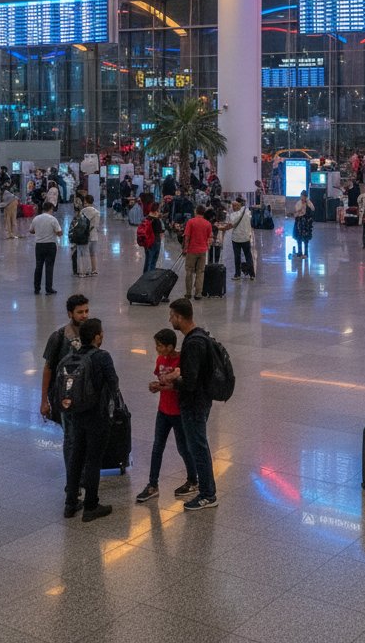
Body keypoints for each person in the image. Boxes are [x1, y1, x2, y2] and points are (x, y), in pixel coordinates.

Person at [63, 318, 120, 522]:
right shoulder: (102, 357)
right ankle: (91, 505)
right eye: (101, 332)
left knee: (76, 456)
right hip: (97, 415)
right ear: (97, 336)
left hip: (77, 414)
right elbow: (113, 383)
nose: (103, 335)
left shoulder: (73, 355)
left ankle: (70, 504)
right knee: (93, 459)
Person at [165, 298, 218, 511]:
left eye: (171, 316)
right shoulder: (199, 336)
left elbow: (191, 382)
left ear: (179, 317)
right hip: (200, 401)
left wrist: (174, 380)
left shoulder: (193, 342)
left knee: (198, 447)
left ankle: (208, 494)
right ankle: (206, 490)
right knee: (198, 446)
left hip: (195, 404)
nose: (170, 320)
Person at [136, 328, 198, 503]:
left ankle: (193, 479)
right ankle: (152, 484)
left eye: (160, 346)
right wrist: (157, 386)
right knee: (157, 446)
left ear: (171, 346)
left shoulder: (181, 361)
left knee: (183, 447)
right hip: (163, 410)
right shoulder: (160, 359)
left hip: (178, 412)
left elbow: (179, 385)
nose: (158, 349)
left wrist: (161, 386)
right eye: (156, 345)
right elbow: (161, 379)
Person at [41, 294, 90, 484]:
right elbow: (48, 369)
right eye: (80, 312)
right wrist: (44, 400)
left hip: (85, 398)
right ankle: (73, 479)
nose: (84, 316)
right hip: (65, 399)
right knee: (71, 438)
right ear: (70, 313)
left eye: (86, 311)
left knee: (82, 437)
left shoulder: (91, 334)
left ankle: (82, 475)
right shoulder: (59, 337)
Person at [30, 201, 62, 295]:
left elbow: (31, 231)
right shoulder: (53, 219)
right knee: (49, 267)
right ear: (51, 209)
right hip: (50, 245)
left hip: (39, 245)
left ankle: (37, 288)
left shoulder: (36, 218)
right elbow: (59, 232)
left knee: (38, 266)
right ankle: (49, 289)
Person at [182, 205, 213, 300]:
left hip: (192, 250)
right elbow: (210, 237)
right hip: (203, 251)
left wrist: (185, 248)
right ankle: (198, 293)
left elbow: (187, 236)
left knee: (189, 271)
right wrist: (207, 246)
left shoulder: (191, 222)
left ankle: (188, 293)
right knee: (200, 272)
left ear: (196, 211)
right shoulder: (208, 224)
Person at [224, 196, 255, 281]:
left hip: (236, 239)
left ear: (239, 205)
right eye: (232, 206)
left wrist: (222, 228)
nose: (233, 208)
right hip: (246, 237)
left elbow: (230, 225)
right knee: (248, 256)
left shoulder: (233, 215)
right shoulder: (247, 211)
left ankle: (237, 274)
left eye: (234, 206)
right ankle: (252, 274)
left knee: (237, 257)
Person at [75, 194, 100, 277]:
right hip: (94, 236)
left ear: (85, 201)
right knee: (93, 254)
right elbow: (97, 225)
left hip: (84, 236)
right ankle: (94, 270)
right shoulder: (97, 212)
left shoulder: (83, 211)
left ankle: (83, 271)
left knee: (83, 254)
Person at [292, 190, 314, 257]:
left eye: (304, 196)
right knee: (299, 237)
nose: (302, 197)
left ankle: (306, 253)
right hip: (299, 221)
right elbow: (296, 209)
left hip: (306, 222)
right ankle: (299, 252)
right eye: (301, 196)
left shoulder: (308, 202)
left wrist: (307, 203)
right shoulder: (299, 203)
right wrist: (302, 205)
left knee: (306, 238)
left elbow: (313, 208)